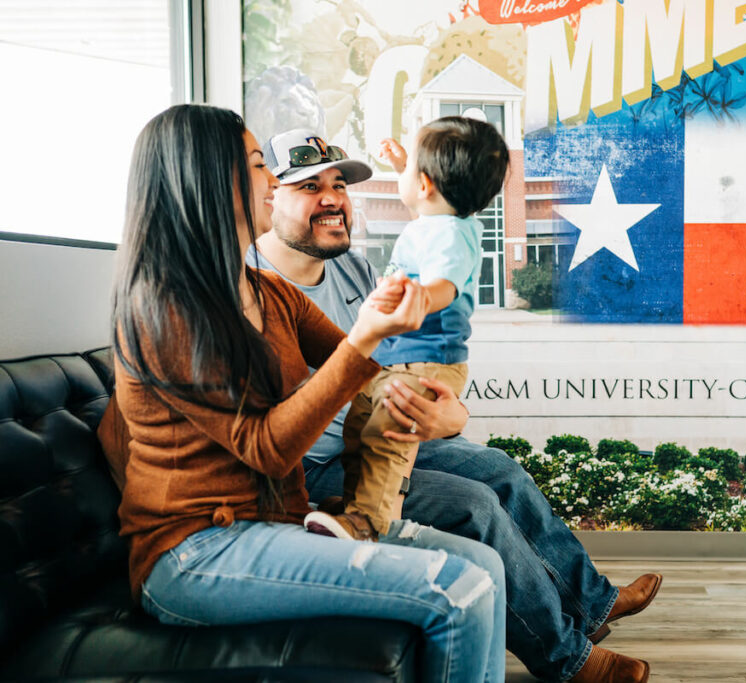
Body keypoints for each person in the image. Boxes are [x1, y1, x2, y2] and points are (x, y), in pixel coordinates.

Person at [104, 103, 506, 682]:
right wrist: (366, 337)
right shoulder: (164, 308)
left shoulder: (268, 292)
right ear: (208, 177)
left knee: (484, 565)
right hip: (195, 553)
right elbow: (269, 449)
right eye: (257, 164)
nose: (272, 180)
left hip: (276, 520)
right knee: (460, 590)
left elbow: (368, 370)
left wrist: (445, 413)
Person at [249, 125, 660, 682]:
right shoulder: (250, 284)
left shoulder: (354, 267)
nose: (332, 199)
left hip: (390, 424)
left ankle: (594, 603)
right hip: (323, 465)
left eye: (339, 184)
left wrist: (451, 417)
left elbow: (405, 362)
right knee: (476, 505)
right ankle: (569, 660)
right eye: (308, 187)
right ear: (269, 193)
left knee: (501, 471)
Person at [297, 118, 509, 541]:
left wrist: (419, 297)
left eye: (411, 167)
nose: (333, 198)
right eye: (309, 187)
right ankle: (355, 505)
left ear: (426, 184)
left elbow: (444, 284)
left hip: (423, 360)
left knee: (385, 438)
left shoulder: (451, 236)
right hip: (398, 359)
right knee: (361, 426)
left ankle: (367, 522)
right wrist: (403, 166)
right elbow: (424, 206)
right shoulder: (438, 221)